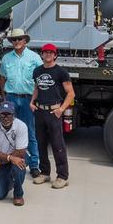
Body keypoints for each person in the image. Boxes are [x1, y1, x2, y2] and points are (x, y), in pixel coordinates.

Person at [0, 28, 42, 178]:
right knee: (10, 131)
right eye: (14, 40)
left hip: (27, 99)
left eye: (19, 39)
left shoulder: (35, 58)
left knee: (29, 131)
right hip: (11, 98)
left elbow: (40, 80)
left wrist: (35, 100)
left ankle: (34, 164)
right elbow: (2, 78)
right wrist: (5, 97)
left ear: (25, 41)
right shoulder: (6, 59)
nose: (16, 42)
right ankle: (12, 160)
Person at [31, 43, 74, 188]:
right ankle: (44, 172)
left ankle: (62, 176)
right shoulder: (37, 71)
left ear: (55, 55)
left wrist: (61, 109)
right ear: (41, 55)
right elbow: (37, 88)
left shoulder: (61, 72)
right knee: (41, 143)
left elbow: (71, 93)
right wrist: (32, 102)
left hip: (53, 112)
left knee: (57, 145)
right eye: (45, 52)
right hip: (39, 111)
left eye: (51, 52)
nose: (48, 54)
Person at [0, 101, 29, 206]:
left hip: (19, 157)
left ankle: (18, 195)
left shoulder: (21, 126)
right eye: (3, 114)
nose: (6, 117)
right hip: (4, 159)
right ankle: (10, 180)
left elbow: (21, 151)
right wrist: (7, 159)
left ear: (13, 115)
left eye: (8, 114)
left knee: (18, 166)